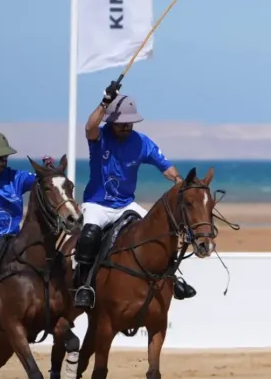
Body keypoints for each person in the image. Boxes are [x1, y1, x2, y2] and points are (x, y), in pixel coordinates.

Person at [72, 80, 197, 309]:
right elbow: (89, 127)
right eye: (122, 124)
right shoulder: (100, 137)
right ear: (111, 121)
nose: (127, 127)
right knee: (89, 235)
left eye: (130, 123)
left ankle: (173, 277)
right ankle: (84, 284)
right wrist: (104, 102)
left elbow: (166, 167)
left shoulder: (142, 143)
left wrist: (180, 184)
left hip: (126, 205)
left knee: (160, 230)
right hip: (97, 205)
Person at [0, 132, 36, 255]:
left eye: (4, 158)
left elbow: (43, 182)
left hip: (12, 243)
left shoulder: (16, 177)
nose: (1, 163)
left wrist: (48, 173)